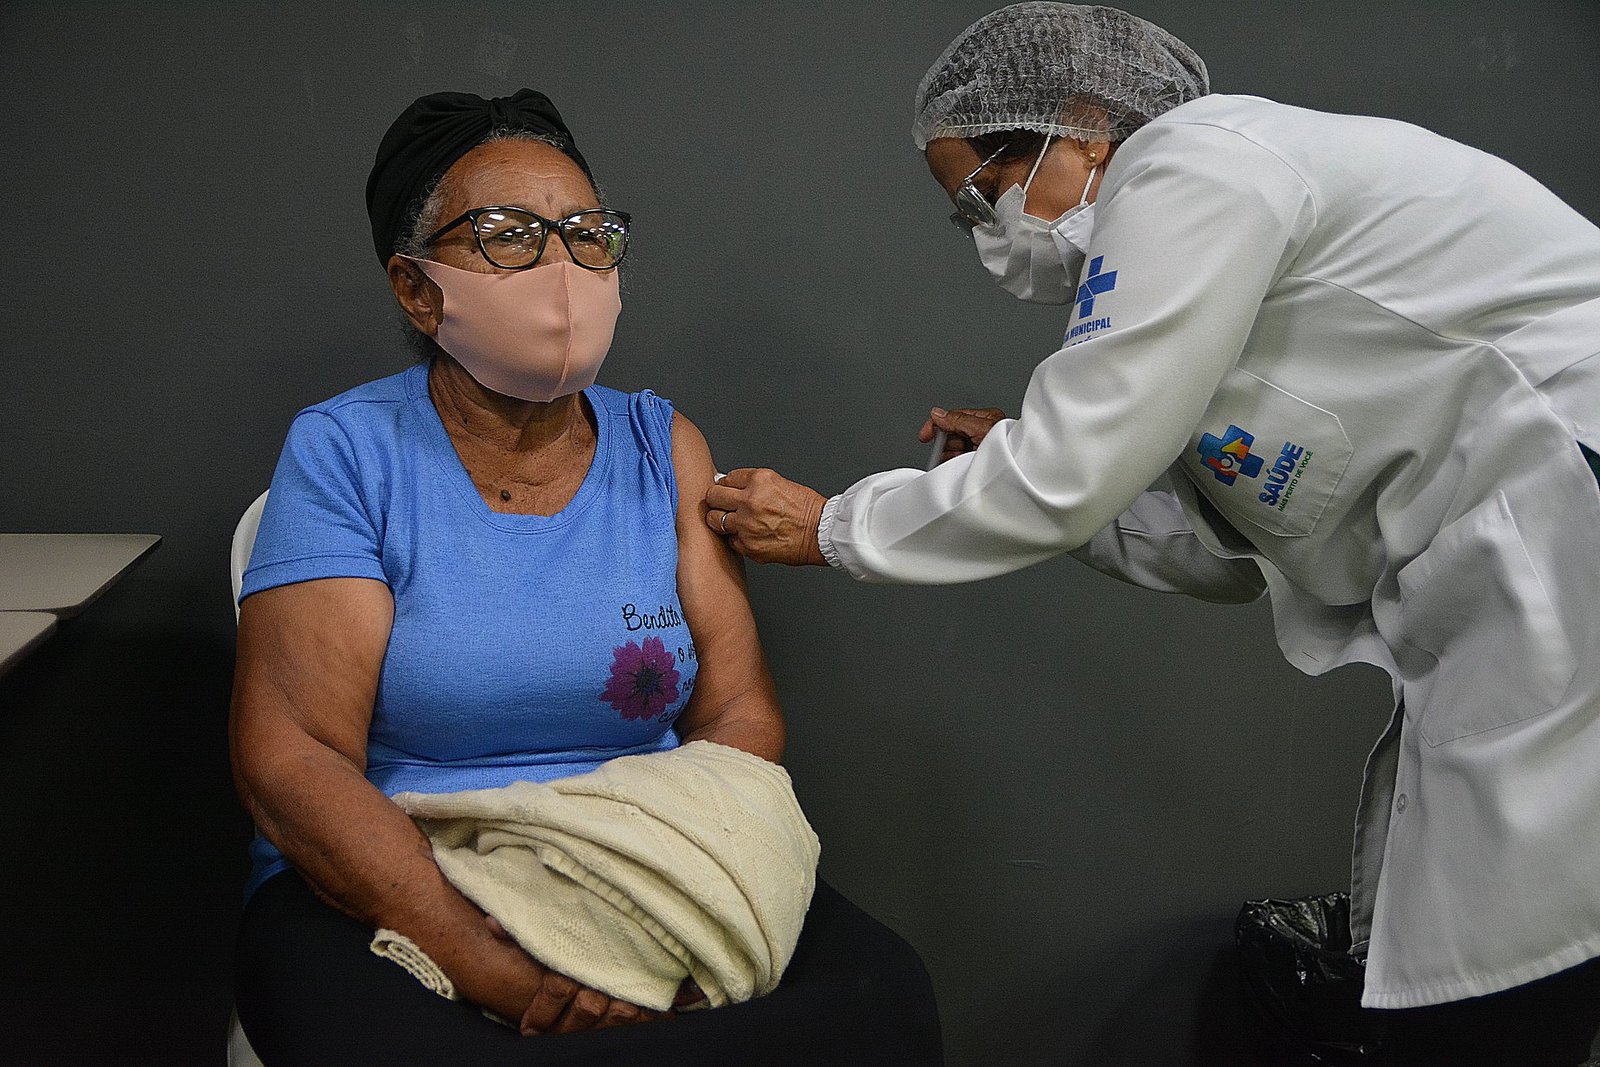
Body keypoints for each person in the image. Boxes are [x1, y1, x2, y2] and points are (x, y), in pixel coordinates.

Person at [704, 4, 1600, 1064]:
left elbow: (1071, 468)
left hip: (1562, 504)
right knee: (1495, 940)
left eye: (986, 189)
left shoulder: (1193, 163)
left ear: (1084, 122)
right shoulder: (1220, 255)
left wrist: (833, 525)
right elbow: (1222, 542)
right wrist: (1039, 469)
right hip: (1512, 549)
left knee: (1500, 958)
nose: (988, 231)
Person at [229, 89, 941, 1066]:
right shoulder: (348, 452)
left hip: (635, 864)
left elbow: (738, 714)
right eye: (508, 236)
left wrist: (663, 910)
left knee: (883, 1000)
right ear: (417, 288)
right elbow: (294, 757)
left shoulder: (663, 446)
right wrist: (490, 959)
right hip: (401, 877)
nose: (562, 268)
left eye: (587, 234)